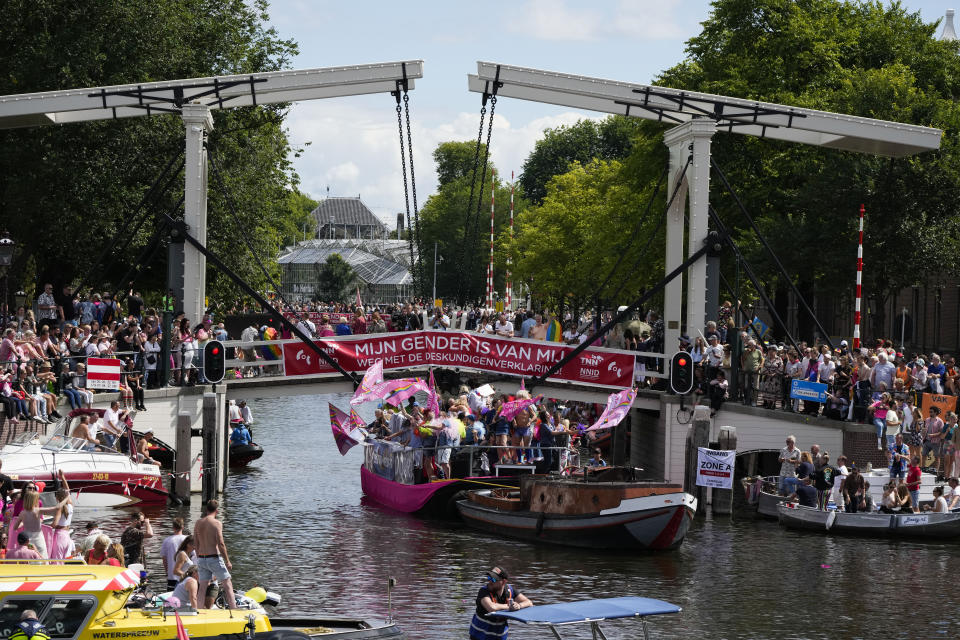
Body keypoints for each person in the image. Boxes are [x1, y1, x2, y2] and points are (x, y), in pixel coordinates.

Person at [194, 499, 236, 609]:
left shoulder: (198, 523)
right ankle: (234, 609)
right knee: (227, 584)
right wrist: (227, 561)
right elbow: (221, 543)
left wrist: (199, 557)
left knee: (202, 587)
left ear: (206, 509)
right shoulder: (217, 523)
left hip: (202, 558)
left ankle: (198, 610)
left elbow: (196, 542)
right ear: (217, 511)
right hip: (214, 558)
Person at [469, 567, 532, 640]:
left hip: (499, 637)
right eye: (489, 578)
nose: (490, 581)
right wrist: (509, 606)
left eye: (493, 579)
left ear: (504, 581)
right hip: (479, 637)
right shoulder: (483, 591)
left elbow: (529, 602)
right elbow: (491, 608)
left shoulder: (510, 590)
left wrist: (519, 605)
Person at [161, 518, 188, 590]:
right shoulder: (187, 540)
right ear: (183, 527)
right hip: (186, 575)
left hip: (172, 576)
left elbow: (164, 559)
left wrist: (167, 572)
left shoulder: (167, 540)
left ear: (173, 527)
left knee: (171, 598)